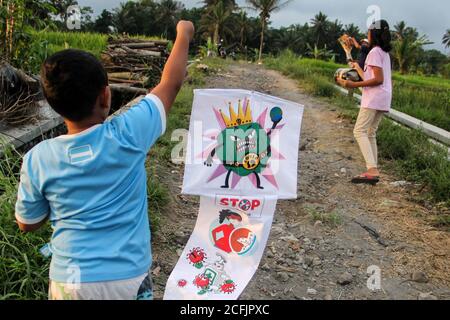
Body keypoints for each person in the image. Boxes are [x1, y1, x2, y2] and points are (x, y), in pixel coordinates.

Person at [14, 21, 195, 300]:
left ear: (52, 104)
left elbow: (27, 223)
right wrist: (184, 34)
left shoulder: (37, 159)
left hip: (69, 280)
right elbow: (170, 83)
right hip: (129, 277)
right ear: (105, 95)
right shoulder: (129, 132)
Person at [337, 20, 392, 185]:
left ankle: (372, 169)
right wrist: (358, 68)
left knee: (359, 131)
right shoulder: (384, 52)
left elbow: (377, 79)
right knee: (370, 133)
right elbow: (372, 76)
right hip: (383, 97)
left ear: (373, 34)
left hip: (374, 97)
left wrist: (353, 84)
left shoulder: (374, 52)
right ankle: (373, 169)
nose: (367, 34)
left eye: (368, 31)